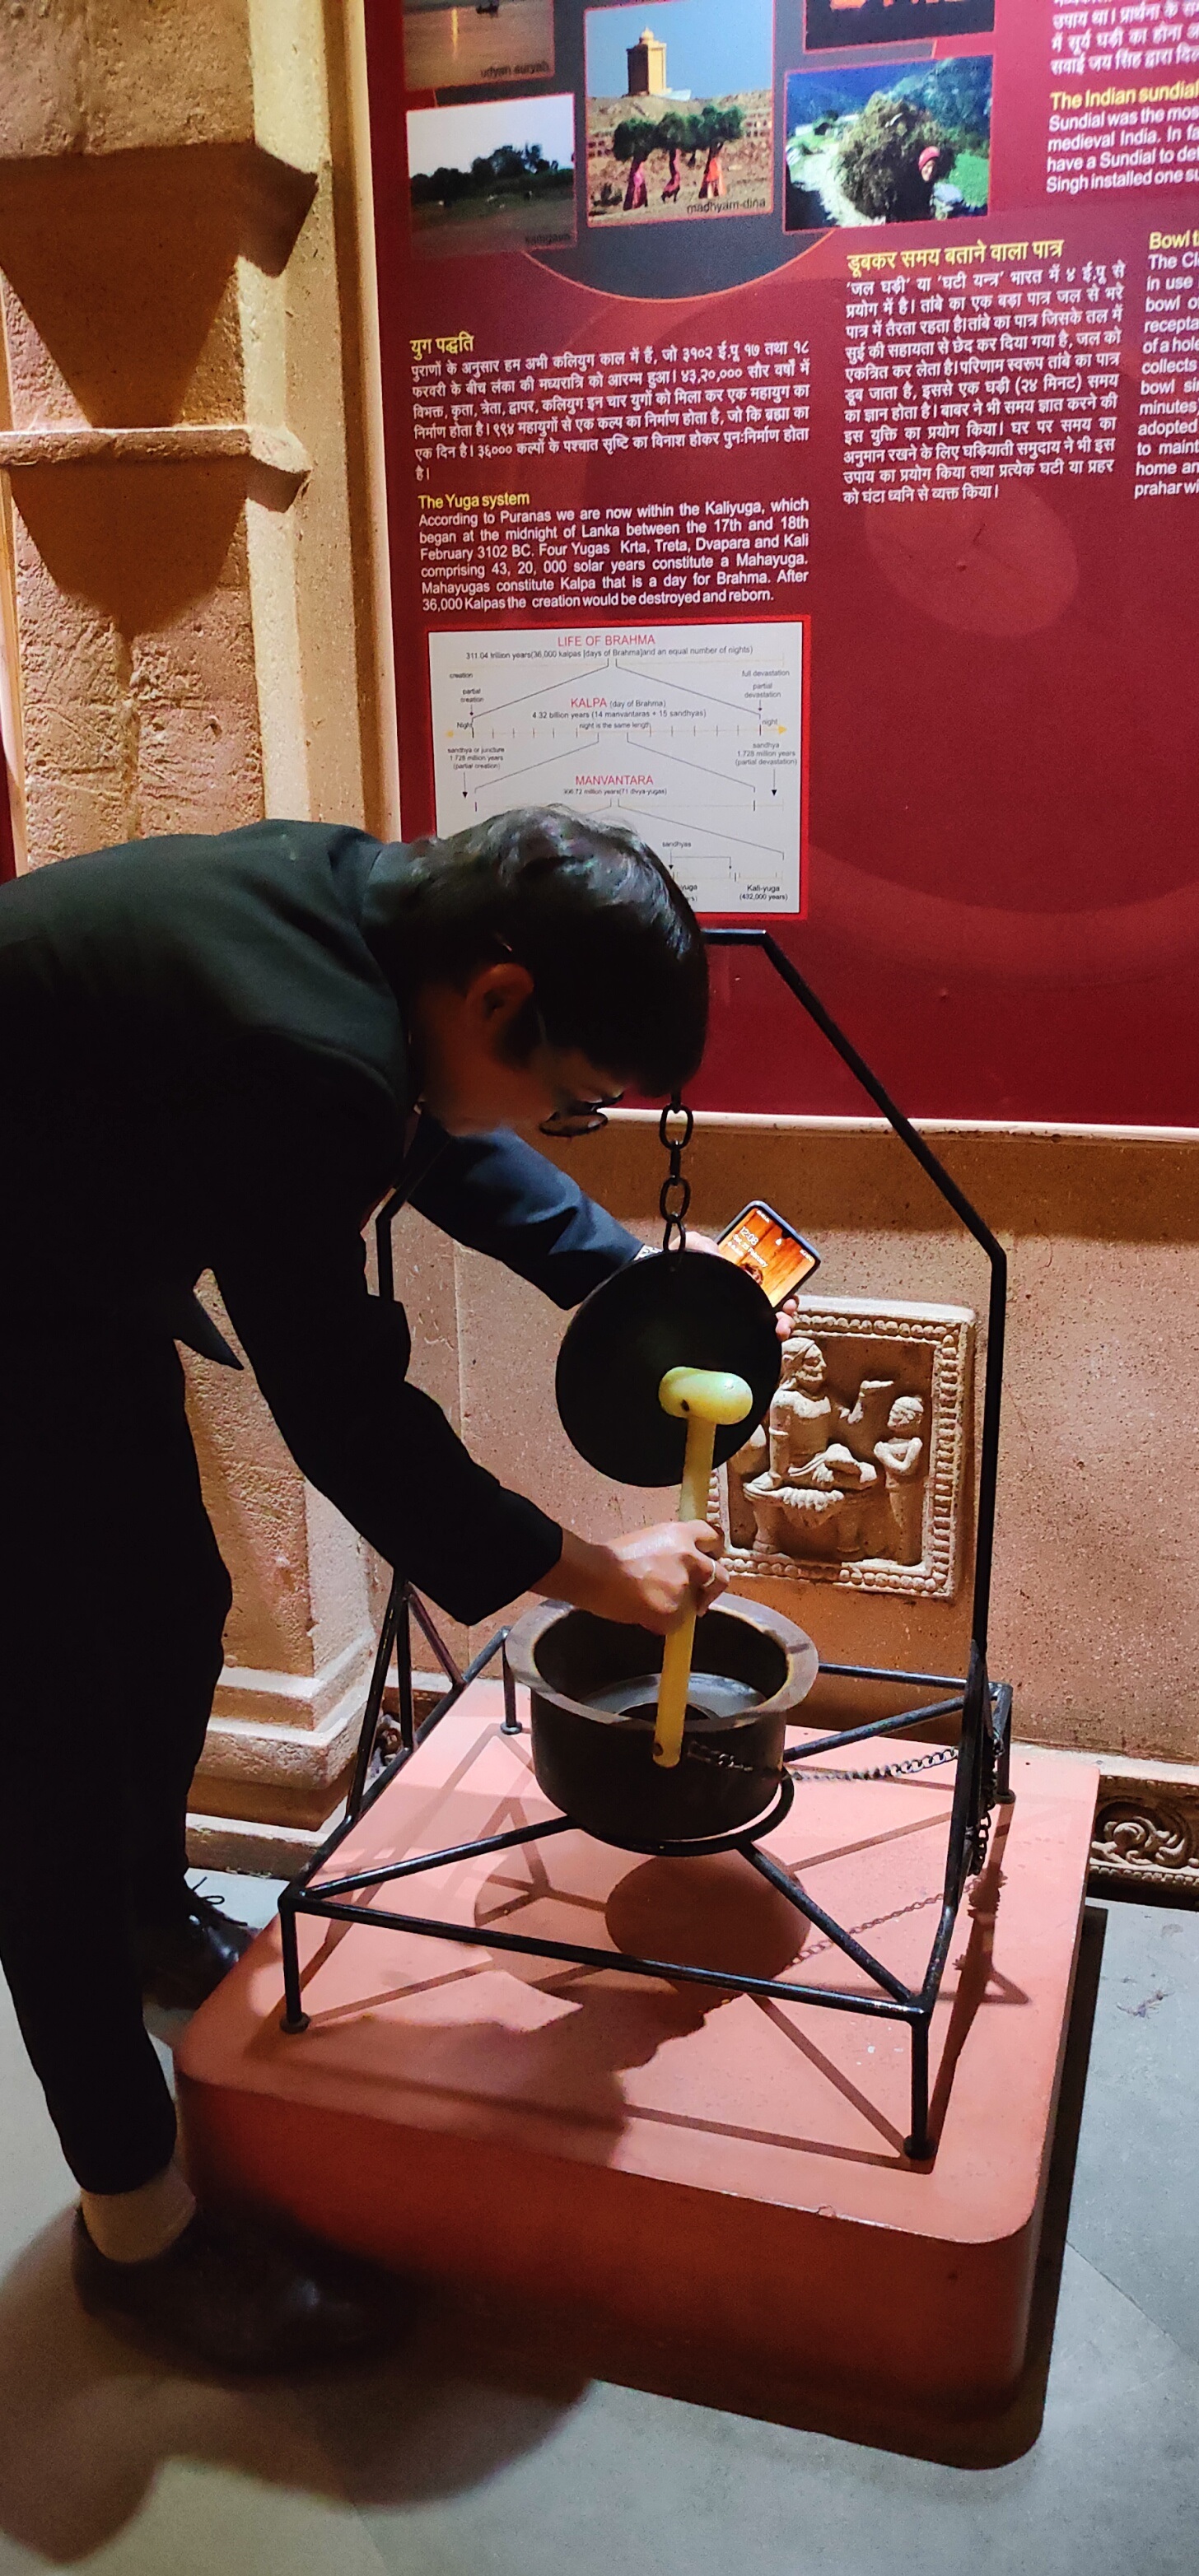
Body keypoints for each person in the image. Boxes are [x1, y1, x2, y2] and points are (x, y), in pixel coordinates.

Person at [0, 803, 744, 2372]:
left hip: (61, 1274)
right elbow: (345, 1412)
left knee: (170, 1603)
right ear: (499, 994)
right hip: (21, 1301)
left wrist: (633, 1282)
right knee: (46, 1759)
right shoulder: (304, 1037)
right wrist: (592, 1572)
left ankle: (143, 1912)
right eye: (574, 1102)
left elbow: (432, 1127)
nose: (562, 1124)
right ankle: (138, 2232)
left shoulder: (386, 916)